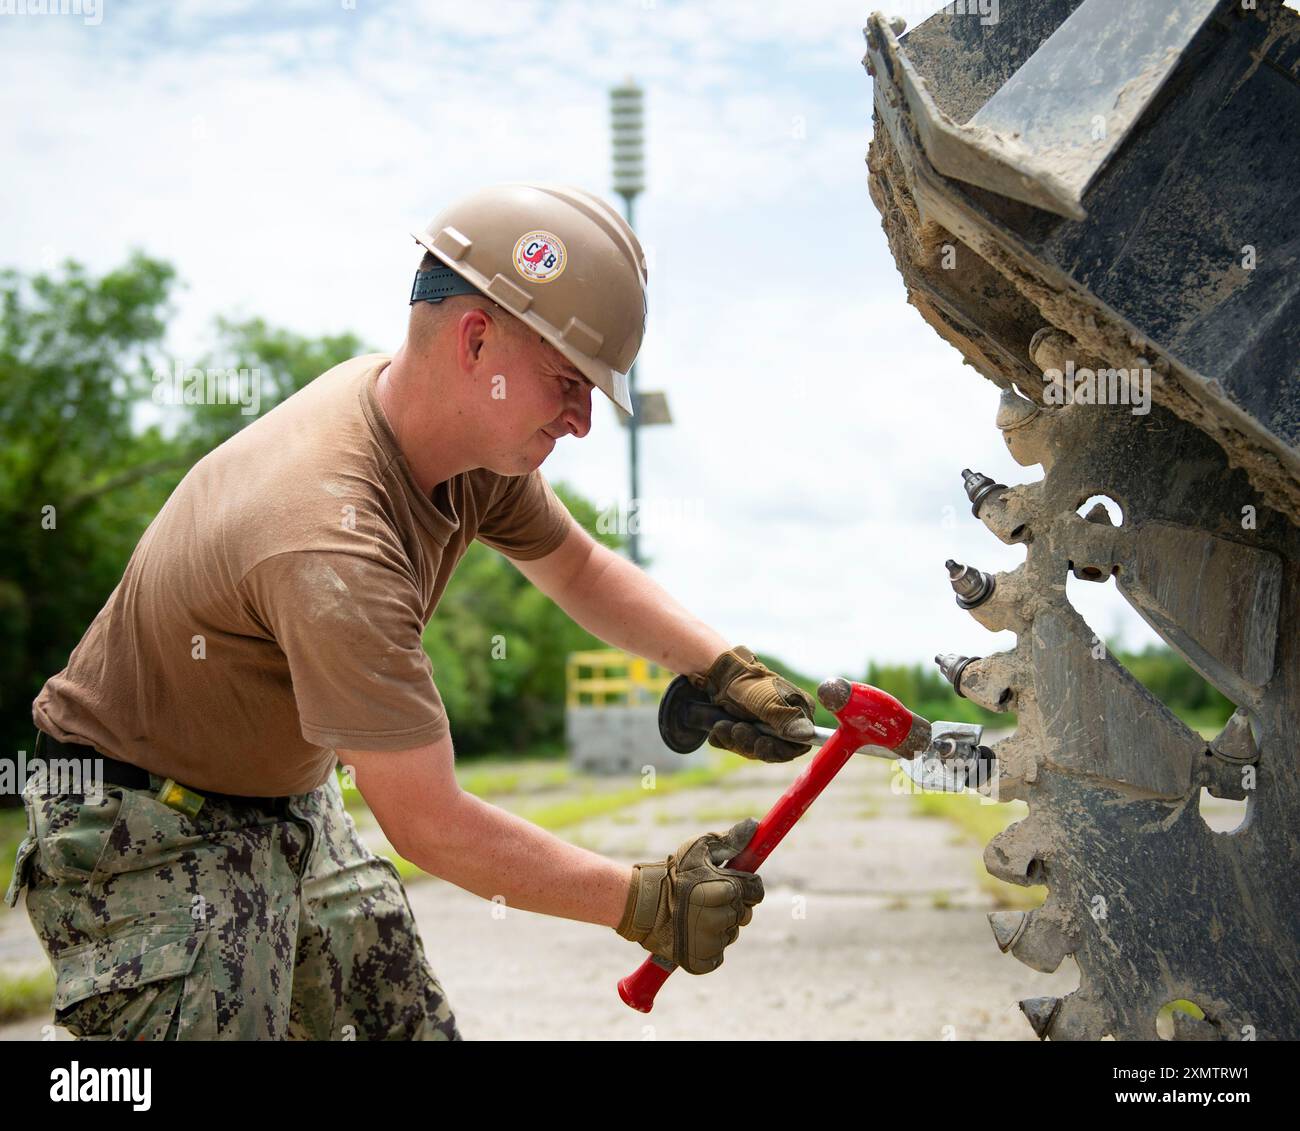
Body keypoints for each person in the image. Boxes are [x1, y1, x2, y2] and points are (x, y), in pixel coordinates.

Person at [6, 182, 818, 1040]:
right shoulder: (329, 537)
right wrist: (645, 901)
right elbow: (429, 821)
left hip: (284, 802)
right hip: (147, 827)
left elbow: (577, 566)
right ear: (476, 341)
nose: (583, 420)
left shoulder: (460, 446)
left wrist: (722, 668)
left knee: (402, 1023)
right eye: (568, 383)